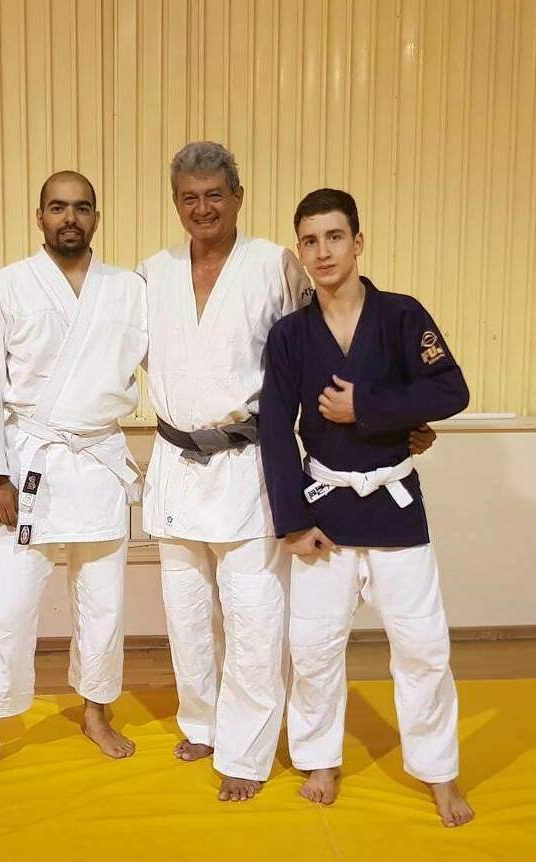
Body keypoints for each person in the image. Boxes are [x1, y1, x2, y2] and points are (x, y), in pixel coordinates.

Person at [138, 142, 436, 802]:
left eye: (215, 194)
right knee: (187, 615)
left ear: (238, 197)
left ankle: (244, 753)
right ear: (176, 203)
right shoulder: (152, 274)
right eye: (189, 197)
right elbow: (114, 352)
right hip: (174, 465)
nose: (202, 208)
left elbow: (330, 343)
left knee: (253, 618)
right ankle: (202, 723)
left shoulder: (275, 264)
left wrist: (390, 417)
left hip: (248, 462)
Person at [259, 188, 474, 827]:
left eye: (334, 237)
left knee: (423, 647)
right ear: (300, 252)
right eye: (310, 241)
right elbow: (275, 429)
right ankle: (319, 759)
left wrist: (369, 408)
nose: (323, 251)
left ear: (358, 242)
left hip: (395, 508)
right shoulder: (291, 334)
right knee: (315, 647)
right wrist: (292, 522)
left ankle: (439, 772)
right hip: (324, 510)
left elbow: (452, 390)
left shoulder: (402, 315)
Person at [0, 171, 148, 790]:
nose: (69, 218)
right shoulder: (5, 287)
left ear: (96, 217)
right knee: (6, 608)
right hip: (28, 466)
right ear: (40, 217)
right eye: (58, 207)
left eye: (81, 207)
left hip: (99, 461)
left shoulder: (128, 290)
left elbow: (171, 366)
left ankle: (96, 712)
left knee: (104, 605)